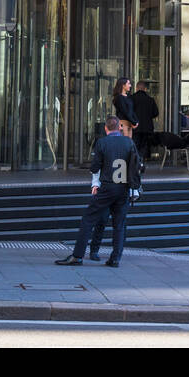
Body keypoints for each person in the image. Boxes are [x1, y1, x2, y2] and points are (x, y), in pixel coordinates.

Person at [55, 115, 142, 268]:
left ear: (106, 128)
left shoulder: (102, 143)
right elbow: (136, 165)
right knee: (119, 224)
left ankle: (77, 255)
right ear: (119, 127)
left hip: (107, 187)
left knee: (88, 219)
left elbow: (95, 167)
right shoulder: (129, 142)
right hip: (124, 189)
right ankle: (115, 258)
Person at [131, 80, 158, 161]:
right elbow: (156, 113)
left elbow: (128, 112)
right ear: (145, 89)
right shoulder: (150, 99)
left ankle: (136, 161)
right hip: (147, 127)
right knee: (144, 145)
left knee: (135, 144)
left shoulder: (132, 98)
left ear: (136, 88)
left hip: (135, 127)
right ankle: (142, 160)